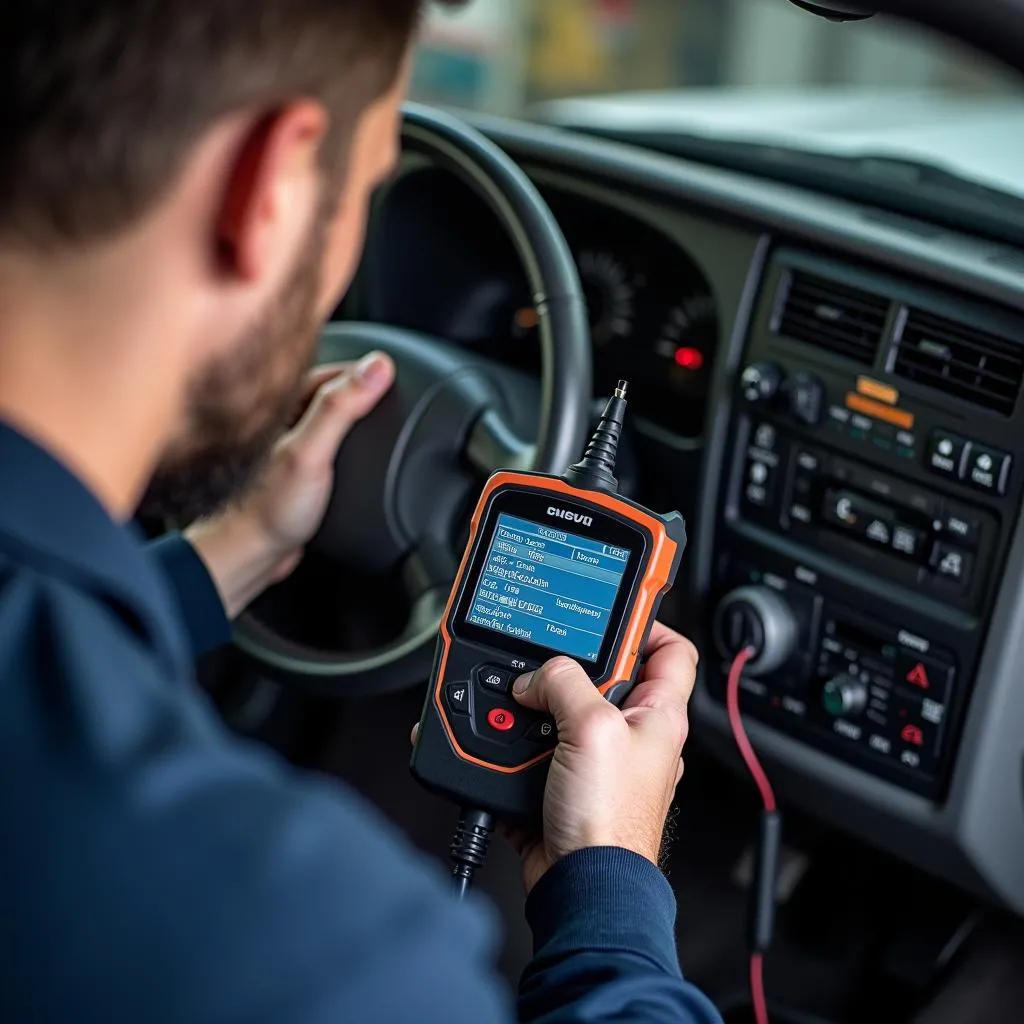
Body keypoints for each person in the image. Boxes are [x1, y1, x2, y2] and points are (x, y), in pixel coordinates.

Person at [0, 3, 722, 1023]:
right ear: (272, 185)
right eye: (371, 189)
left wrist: (224, 556)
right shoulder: (308, 946)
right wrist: (607, 886)